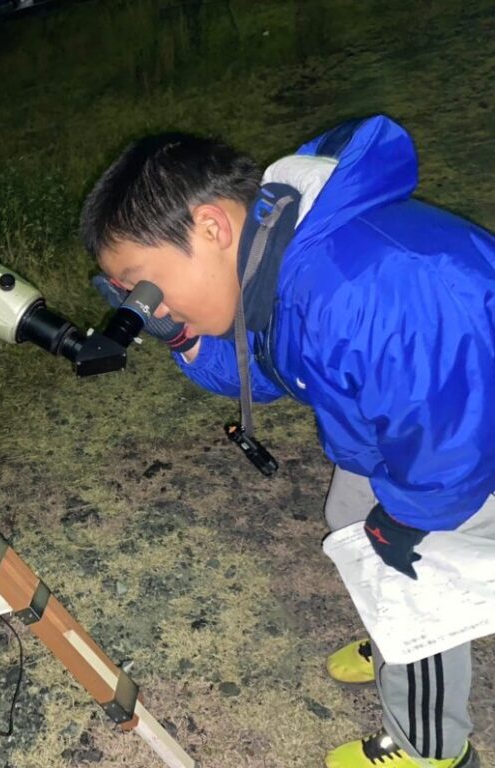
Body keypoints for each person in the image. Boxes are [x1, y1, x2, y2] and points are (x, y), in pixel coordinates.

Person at [80, 118, 495, 768]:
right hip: (408, 438)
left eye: (144, 284)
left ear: (211, 227)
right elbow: (259, 369)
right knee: (351, 515)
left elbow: (455, 438)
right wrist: (182, 336)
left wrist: (411, 520)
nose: (142, 304)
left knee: (417, 580)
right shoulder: (280, 261)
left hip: (464, 447)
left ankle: (431, 748)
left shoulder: (363, 287)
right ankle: (396, 639)